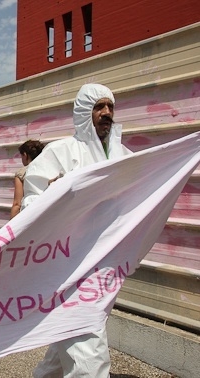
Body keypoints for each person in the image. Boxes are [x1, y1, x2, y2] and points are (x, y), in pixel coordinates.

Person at [23, 83, 132, 378]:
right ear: (84, 112)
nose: (107, 113)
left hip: (104, 268)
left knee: (64, 348)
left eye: (110, 106)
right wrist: (54, 196)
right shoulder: (60, 153)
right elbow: (29, 206)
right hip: (67, 268)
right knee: (89, 357)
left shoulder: (123, 155)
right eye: (99, 107)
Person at [10, 140, 45, 219]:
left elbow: (17, 204)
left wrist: (11, 228)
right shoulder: (50, 169)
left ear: (25, 155)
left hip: (29, 216)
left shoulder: (22, 173)